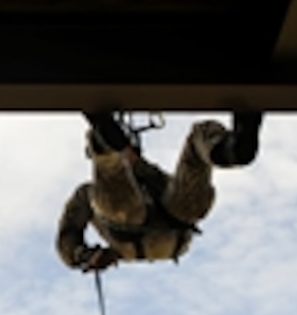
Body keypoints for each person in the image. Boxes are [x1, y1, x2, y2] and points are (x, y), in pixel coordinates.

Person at [57, 110, 263, 271]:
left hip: (171, 226)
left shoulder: (150, 177)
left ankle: (234, 149)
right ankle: (103, 142)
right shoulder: (88, 194)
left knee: (198, 140)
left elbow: (182, 184)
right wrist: (83, 255)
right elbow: (67, 235)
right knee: (114, 194)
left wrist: (135, 163)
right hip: (139, 233)